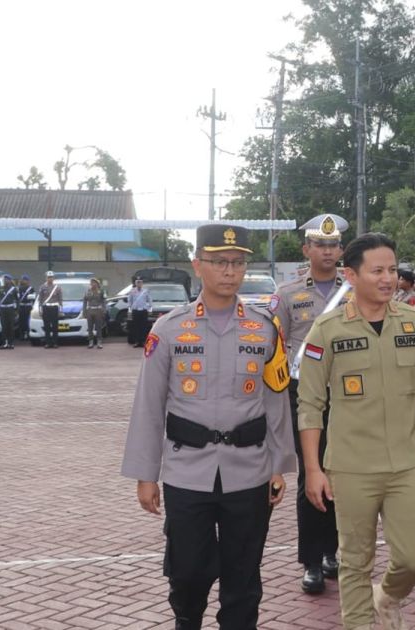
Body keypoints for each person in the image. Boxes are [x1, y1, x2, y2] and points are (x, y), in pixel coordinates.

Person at [121, 223, 293, 630]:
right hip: (187, 471)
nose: (229, 271)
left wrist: (279, 464)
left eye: (237, 263)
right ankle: (187, 619)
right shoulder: (169, 328)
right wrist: (146, 475)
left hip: (249, 470)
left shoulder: (264, 327)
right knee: (189, 571)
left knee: (244, 575)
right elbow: (148, 405)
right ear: (198, 265)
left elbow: (275, 398)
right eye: (219, 262)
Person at [296, 232, 415, 630]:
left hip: (403, 465)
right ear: (351, 274)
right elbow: (310, 404)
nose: (388, 278)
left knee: (412, 557)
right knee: (355, 561)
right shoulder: (326, 331)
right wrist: (312, 468)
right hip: (350, 466)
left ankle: (389, 597)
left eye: (392, 270)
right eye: (377, 270)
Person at [272, 212, 347, 595]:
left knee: (343, 476)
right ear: (307, 250)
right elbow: (274, 348)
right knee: (310, 475)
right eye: (320, 244)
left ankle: (334, 551)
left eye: (334, 245)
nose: (328, 250)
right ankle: (312, 561)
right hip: (304, 396)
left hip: (349, 396)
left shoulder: (354, 290)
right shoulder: (287, 295)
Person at [37, 270, 63, 349]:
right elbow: (40, 299)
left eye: (51, 277)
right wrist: (40, 309)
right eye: (48, 277)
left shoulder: (57, 288)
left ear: (53, 278)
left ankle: (55, 343)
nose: (50, 279)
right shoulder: (42, 287)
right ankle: (48, 343)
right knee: (47, 326)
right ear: (46, 278)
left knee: (55, 326)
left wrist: (61, 310)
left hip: (54, 308)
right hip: (46, 308)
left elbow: (60, 299)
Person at [0, 274, 19, 350]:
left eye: (7, 279)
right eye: (4, 279)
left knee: (11, 327)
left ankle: (11, 343)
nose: (5, 281)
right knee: (4, 327)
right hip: (2, 310)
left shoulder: (14, 289)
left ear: (10, 280)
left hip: (10, 309)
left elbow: (17, 300)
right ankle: (4, 343)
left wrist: (16, 310)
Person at [84, 277, 107, 349]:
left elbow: (104, 301)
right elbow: (84, 301)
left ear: (97, 284)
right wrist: (84, 311)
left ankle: (99, 342)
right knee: (90, 328)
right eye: (91, 283)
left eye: (94, 283)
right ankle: (91, 342)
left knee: (99, 327)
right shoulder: (88, 291)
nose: (93, 284)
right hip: (90, 310)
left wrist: (104, 310)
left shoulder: (101, 291)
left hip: (98, 310)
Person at [129, 278, 153, 348]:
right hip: (135, 311)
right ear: (135, 283)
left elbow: (149, 300)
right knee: (136, 327)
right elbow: (129, 300)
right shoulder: (132, 291)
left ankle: (142, 341)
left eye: (140, 282)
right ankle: (136, 342)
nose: (139, 284)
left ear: (142, 284)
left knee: (143, 327)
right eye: (137, 282)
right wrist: (131, 307)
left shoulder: (146, 291)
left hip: (143, 311)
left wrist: (148, 307)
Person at [17, 274, 34, 340]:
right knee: (21, 321)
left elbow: (33, 297)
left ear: (28, 281)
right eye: (23, 279)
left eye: (25, 280)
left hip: (28, 306)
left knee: (28, 321)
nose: (24, 281)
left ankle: (28, 334)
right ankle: (21, 334)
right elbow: (17, 297)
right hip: (21, 306)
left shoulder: (31, 288)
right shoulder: (19, 288)